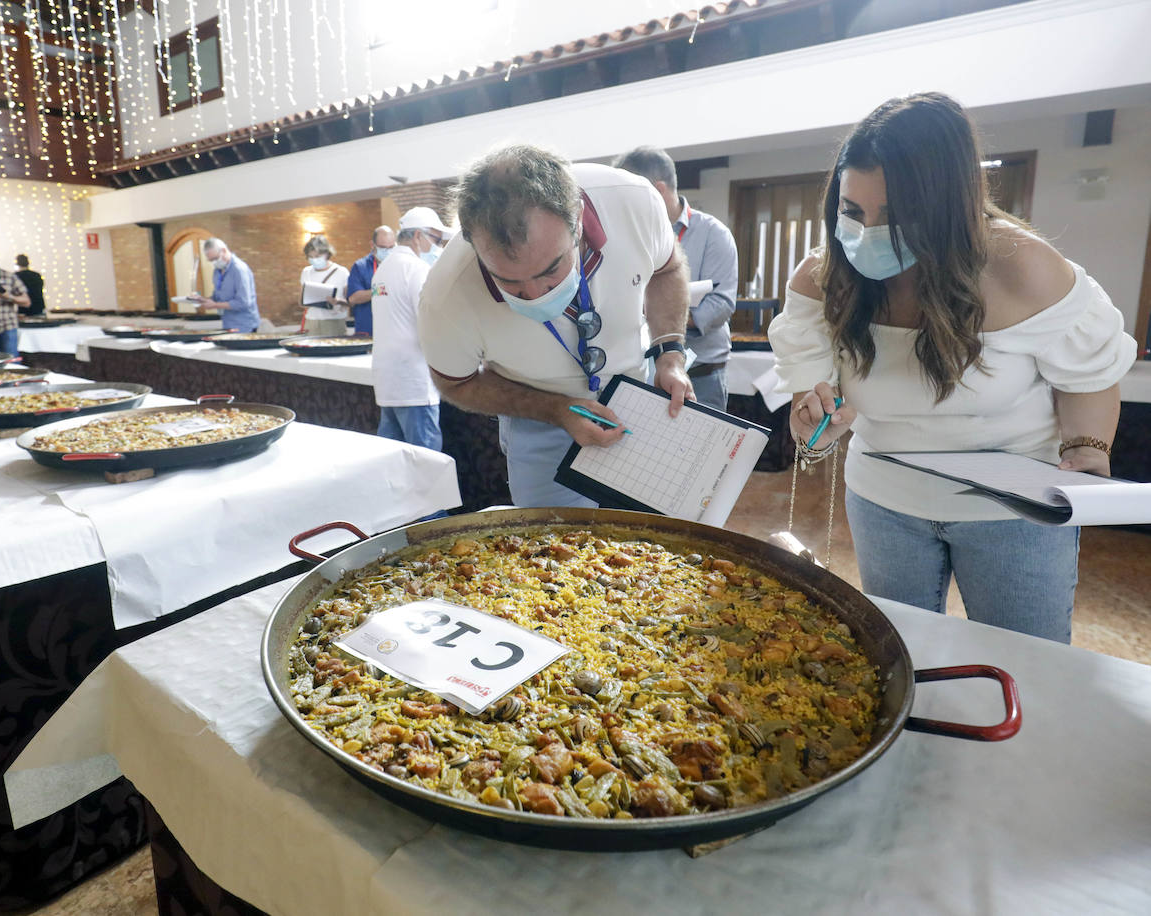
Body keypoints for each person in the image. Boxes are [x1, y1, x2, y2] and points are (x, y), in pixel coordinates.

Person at [768, 92, 1136, 644]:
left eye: (892, 217)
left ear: (947, 207)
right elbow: (813, 400)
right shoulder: (823, 278)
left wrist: (1086, 449)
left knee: (1027, 656)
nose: (866, 234)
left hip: (1013, 512)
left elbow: (1090, 374)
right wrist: (813, 425)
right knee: (905, 653)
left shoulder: (1024, 269)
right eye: (851, 212)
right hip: (884, 500)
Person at [418, 144, 694, 508]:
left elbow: (668, 269)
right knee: (553, 555)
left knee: (650, 543)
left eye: (550, 270)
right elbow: (456, 383)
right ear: (472, 243)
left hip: (637, 399)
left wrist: (669, 353)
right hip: (538, 422)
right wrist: (555, 410)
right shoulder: (446, 295)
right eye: (509, 281)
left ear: (577, 220)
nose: (534, 296)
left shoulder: (633, 202)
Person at [612, 146, 738, 411]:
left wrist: (662, 313)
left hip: (703, 373)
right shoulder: (627, 235)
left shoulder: (714, 234)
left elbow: (720, 306)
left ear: (657, 191)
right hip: (644, 372)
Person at [371, 220, 444, 450]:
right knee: (426, 462)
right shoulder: (416, 269)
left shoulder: (383, 269)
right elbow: (430, 322)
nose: (437, 246)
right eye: (436, 239)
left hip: (387, 379)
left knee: (391, 461)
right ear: (418, 236)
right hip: (413, 380)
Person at [194, 238, 259, 332]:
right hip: (228, 323)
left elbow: (243, 303)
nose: (214, 263)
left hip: (245, 325)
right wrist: (203, 300)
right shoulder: (217, 271)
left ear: (224, 251)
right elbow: (218, 296)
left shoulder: (239, 269)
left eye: (215, 259)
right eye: (210, 260)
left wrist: (215, 305)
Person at [345, 225, 395, 336]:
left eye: (391, 247)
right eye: (383, 248)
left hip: (393, 330)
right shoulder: (360, 266)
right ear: (372, 245)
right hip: (368, 330)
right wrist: (381, 290)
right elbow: (353, 298)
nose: (387, 251)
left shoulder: (399, 265)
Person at [299, 234, 350, 336]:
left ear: (327, 254)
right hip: (312, 320)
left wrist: (337, 301)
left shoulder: (342, 272)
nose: (314, 259)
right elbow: (301, 301)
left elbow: (351, 301)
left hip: (334, 321)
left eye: (317, 256)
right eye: (310, 257)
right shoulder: (306, 271)